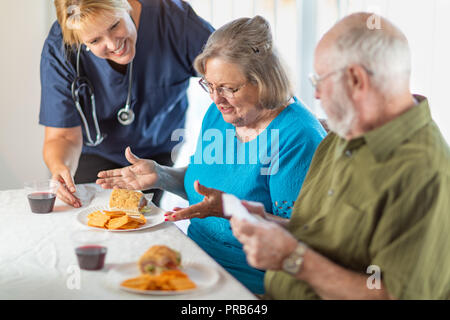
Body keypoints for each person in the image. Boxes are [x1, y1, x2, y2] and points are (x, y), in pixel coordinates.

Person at [96, 16, 326, 294]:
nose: (216, 99)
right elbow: (205, 188)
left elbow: (304, 238)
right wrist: (161, 175)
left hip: (252, 284)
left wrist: (233, 211)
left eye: (229, 88)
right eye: (209, 85)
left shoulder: (298, 137)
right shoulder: (221, 116)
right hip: (196, 262)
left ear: (265, 81)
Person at [229, 12, 450, 300]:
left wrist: (293, 259)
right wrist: (268, 222)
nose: (317, 95)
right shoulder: (342, 133)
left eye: (319, 80)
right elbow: (330, 239)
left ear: (356, 79)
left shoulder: (425, 172)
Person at [39, 0, 214, 207]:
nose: (114, 45)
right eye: (95, 40)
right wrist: (60, 167)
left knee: (142, 220)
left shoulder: (174, 21)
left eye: (114, 25)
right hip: (95, 152)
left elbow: (229, 71)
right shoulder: (61, 47)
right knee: (92, 218)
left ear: (126, 4)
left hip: (156, 151)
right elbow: (63, 136)